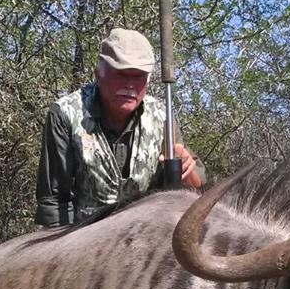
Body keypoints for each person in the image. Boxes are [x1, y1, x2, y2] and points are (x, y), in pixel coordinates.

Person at [35, 28, 206, 227]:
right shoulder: (65, 113)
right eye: (121, 74)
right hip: (86, 237)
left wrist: (186, 171)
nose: (130, 85)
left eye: (138, 76)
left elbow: (196, 185)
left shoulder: (162, 116)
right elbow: (54, 202)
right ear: (98, 74)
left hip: (145, 232)